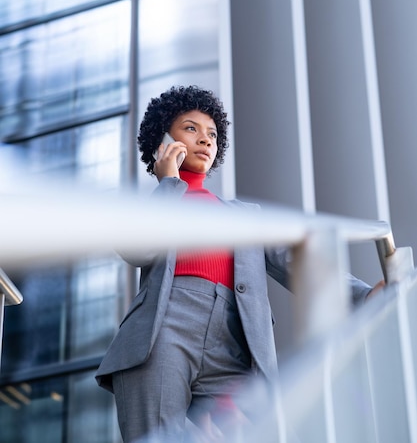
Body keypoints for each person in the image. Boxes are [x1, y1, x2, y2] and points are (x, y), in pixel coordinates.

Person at [96, 85, 380, 442]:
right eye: (191, 128)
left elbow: (299, 262)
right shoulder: (149, 203)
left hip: (234, 338)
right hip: (162, 332)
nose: (204, 139)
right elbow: (139, 250)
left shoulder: (244, 215)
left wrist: (364, 296)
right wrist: (167, 182)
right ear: (163, 140)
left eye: (212, 134)